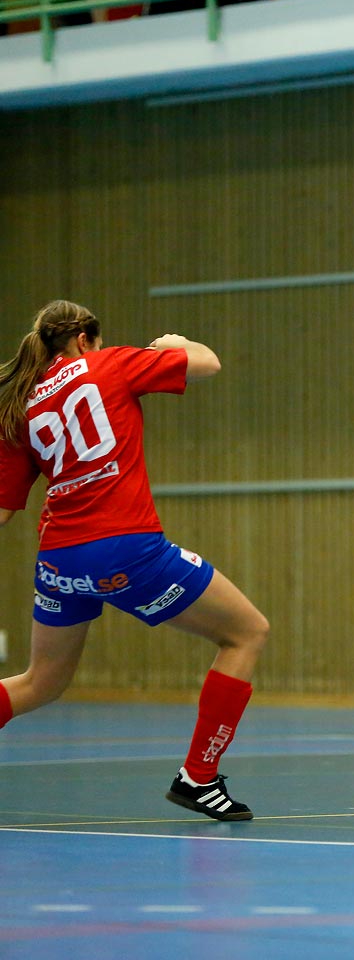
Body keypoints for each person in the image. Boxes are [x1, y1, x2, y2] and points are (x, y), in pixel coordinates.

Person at [0, 301, 270, 820]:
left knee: (40, 682)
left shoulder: (24, 403)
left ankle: (199, 778)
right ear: (84, 339)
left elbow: (4, 511)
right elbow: (208, 362)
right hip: (125, 547)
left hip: (57, 560)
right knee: (246, 633)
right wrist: (172, 344)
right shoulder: (111, 363)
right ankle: (198, 777)